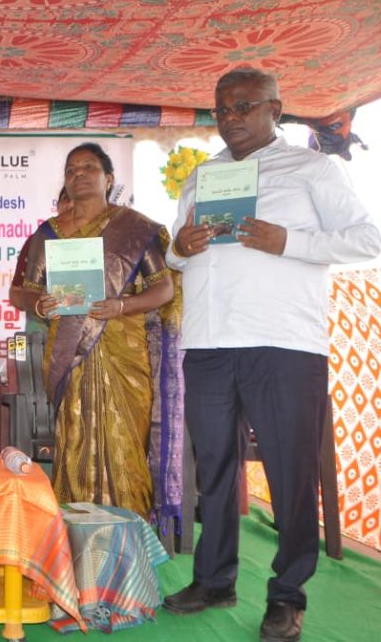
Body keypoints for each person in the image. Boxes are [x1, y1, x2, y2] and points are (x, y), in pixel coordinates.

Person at [163, 68, 381, 642]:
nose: (230, 118)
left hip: (282, 342)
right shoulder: (203, 176)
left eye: (244, 107)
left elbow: (367, 238)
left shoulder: (312, 168)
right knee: (214, 468)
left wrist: (289, 242)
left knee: (289, 471)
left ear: (274, 110)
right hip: (208, 342)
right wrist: (180, 247)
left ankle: (287, 595)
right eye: (222, 109)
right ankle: (214, 580)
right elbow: (175, 254)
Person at [8, 143, 180, 521]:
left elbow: (164, 288)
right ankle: (77, 526)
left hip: (125, 352)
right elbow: (20, 291)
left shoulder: (136, 228)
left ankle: (129, 528)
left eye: (89, 167)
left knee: (125, 439)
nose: (79, 174)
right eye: (71, 170)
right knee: (75, 435)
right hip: (69, 351)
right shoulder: (48, 234)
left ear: (109, 179)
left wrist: (122, 306)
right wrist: (39, 304)